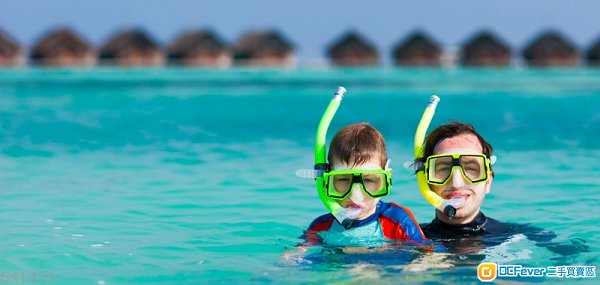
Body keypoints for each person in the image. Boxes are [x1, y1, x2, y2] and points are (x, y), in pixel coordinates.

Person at [418, 122, 588, 257]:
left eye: (471, 168)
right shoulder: (409, 239)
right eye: (443, 169)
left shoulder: (525, 236)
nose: (457, 182)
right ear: (425, 182)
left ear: (488, 182)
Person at [303, 123, 426, 246]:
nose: (355, 195)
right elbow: (299, 253)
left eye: (368, 180)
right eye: (344, 180)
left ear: (387, 180)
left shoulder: (398, 220)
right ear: (326, 182)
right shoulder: (320, 227)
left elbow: (425, 257)